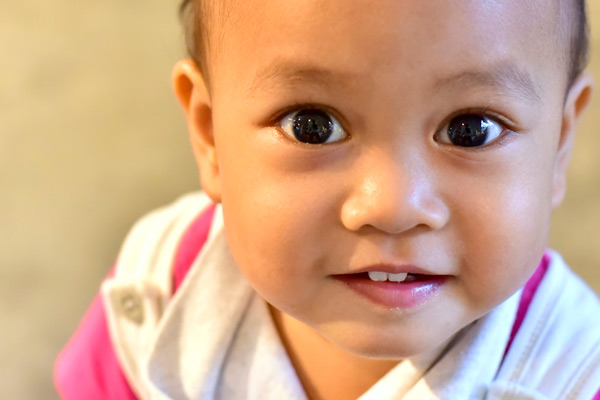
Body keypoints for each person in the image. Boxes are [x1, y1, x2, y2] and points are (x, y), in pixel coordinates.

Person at [55, 0, 600, 398]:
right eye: (312, 126)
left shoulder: (572, 374)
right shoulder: (160, 286)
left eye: (471, 129)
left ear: (558, 141)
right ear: (210, 135)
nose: (392, 205)